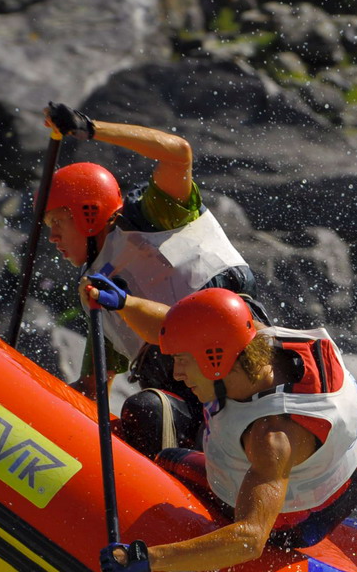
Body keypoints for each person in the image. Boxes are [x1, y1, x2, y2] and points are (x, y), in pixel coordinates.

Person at [97, 287, 357, 572]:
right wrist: (125, 303)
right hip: (339, 473)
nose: (176, 373)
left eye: (182, 361)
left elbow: (249, 540)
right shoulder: (258, 339)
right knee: (149, 412)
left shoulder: (271, 438)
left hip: (300, 519)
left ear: (214, 359)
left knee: (165, 456)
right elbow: (185, 329)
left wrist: (148, 558)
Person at [39, 102, 257, 454]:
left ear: (87, 212)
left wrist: (89, 128)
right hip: (187, 407)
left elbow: (177, 153)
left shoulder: (155, 215)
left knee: (146, 411)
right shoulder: (99, 291)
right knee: (143, 414)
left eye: (57, 223)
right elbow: (94, 389)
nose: (52, 238)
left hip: (236, 372)